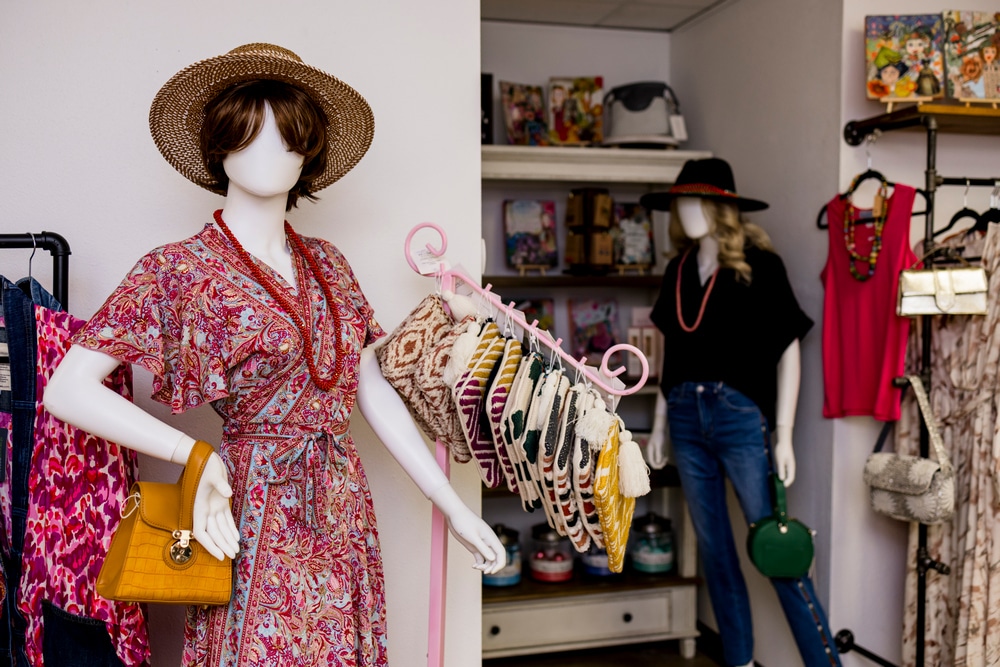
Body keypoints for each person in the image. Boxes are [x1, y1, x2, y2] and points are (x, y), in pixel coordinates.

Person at [42, 43, 504, 666]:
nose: (269, 151)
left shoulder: (329, 264)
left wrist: (452, 507)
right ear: (221, 146)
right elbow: (67, 389)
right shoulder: (180, 269)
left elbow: (367, 386)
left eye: (287, 136)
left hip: (340, 503)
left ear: (307, 154)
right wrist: (193, 453)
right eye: (248, 132)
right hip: (251, 500)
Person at [639, 158, 840, 667]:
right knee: (716, 552)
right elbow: (672, 354)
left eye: (697, 201)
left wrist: (785, 433)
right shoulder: (678, 270)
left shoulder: (759, 264)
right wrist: (659, 426)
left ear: (721, 207)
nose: (687, 212)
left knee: (777, 546)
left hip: (738, 415)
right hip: (684, 416)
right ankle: (740, 661)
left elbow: (788, 345)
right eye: (681, 203)